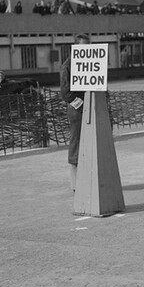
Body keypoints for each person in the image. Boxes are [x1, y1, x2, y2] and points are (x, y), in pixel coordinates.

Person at [60, 33, 91, 192]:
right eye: (82, 47)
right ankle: (75, 183)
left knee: (91, 144)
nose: (86, 51)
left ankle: (90, 179)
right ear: (76, 48)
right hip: (77, 109)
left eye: (88, 47)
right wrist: (81, 106)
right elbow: (65, 92)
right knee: (76, 143)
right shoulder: (68, 65)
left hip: (90, 108)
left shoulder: (91, 63)